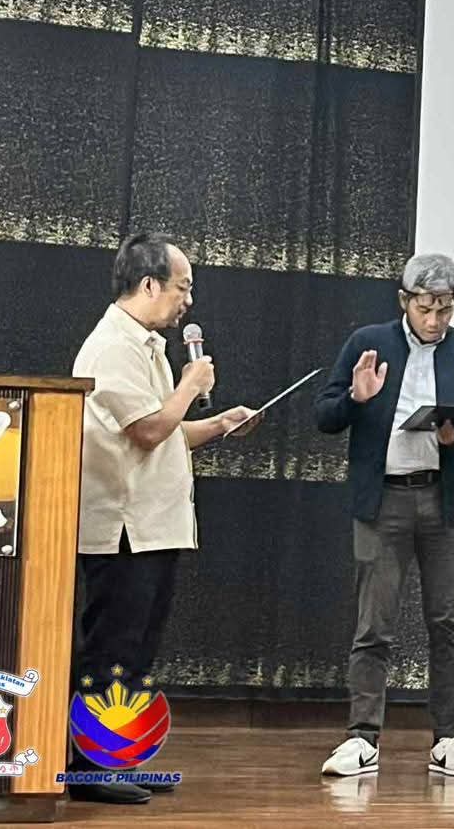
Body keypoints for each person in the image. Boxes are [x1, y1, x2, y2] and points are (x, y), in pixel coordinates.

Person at [70, 233, 257, 805]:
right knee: (112, 650)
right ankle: (89, 767)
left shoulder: (146, 344)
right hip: (122, 529)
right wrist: (189, 385)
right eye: (183, 287)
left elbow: (167, 433)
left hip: (155, 525)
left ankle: (120, 757)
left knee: (139, 652)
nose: (188, 302)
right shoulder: (112, 347)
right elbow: (149, 430)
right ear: (149, 284)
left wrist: (219, 424)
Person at [314, 254, 454, 779]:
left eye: (446, 308)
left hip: (446, 500)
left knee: (448, 622)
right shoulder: (368, 343)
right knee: (374, 623)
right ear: (404, 301)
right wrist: (356, 398)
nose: (436, 319)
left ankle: (448, 739)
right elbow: (324, 415)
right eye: (426, 308)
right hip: (384, 501)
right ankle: (362, 737)